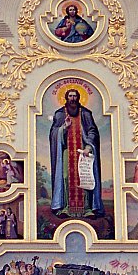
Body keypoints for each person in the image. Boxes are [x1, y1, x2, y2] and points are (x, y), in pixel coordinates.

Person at [49, 88, 104, 218]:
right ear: (66, 98)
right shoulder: (59, 114)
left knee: (85, 177)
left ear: (78, 98)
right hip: (67, 153)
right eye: (70, 96)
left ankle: (87, 208)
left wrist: (89, 147)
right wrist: (63, 128)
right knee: (66, 177)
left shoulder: (86, 114)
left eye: (75, 96)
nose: (72, 98)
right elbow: (53, 133)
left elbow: (92, 131)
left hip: (83, 152)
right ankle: (66, 207)